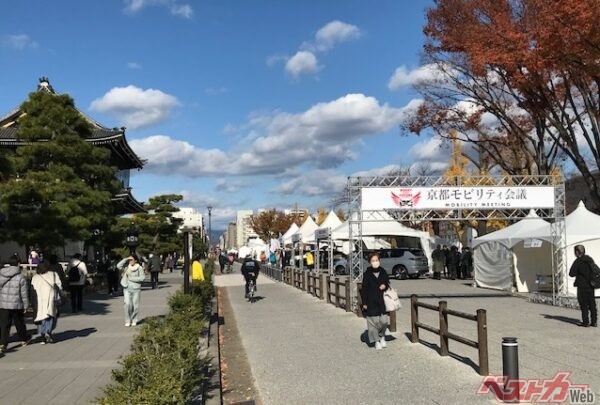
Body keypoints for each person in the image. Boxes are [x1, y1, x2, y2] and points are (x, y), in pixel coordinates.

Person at [0, 255, 31, 352]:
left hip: (3, 303)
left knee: (4, 324)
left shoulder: (1, 274)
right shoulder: (20, 277)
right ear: (18, 264)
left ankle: (2, 343)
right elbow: (24, 294)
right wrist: (26, 305)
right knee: (19, 323)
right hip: (16, 304)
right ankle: (23, 339)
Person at [360, 252, 390, 350]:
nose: (375, 262)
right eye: (373, 261)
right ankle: (377, 341)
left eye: (377, 260)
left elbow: (387, 282)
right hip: (371, 301)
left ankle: (382, 336)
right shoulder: (367, 273)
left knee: (384, 321)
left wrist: (384, 285)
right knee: (373, 323)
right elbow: (364, 289)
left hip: (381, 301)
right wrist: (364, 303)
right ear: (369, 262)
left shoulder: (383, 271)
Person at [31, 261, 62, 344]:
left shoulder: (35, 277)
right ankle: (48, 332)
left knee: (41, 317)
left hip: (39, 300)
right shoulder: (54, 274)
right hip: (51, 298)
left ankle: (42, 335)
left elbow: (32, 289)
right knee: (50, 316)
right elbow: (59, 286)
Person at [569, 245, 597, 327]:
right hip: (591, 285)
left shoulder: (578, 261)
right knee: (592, 304)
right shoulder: (590, 259)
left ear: (577, 252)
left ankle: (586, 322)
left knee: (584, 304)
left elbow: (571, 273)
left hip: (582, 286)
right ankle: (594, 322)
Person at [118, 255, 145, 327]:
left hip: (136, 289)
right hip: (126, 288)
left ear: (135, 260)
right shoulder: (127, 267)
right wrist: (125, 259)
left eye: (132, 260)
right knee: (127, 304)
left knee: (135, 305)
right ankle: (127, 320)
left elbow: (142, 278)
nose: (130, 261)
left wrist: (132, 279)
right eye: (129, 260)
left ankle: (134, 319)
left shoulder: (139, 268)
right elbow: (118, 266)